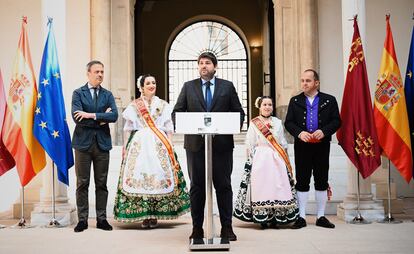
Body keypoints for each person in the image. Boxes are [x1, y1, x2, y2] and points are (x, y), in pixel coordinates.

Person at [173, 52, 245, 241]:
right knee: (197, 187)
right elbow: (177, 112)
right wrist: (186, 125)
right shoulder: (188, 87)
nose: (203, 66)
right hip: (196, 146)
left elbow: (239, 113)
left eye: (207, 63)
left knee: (223, 186)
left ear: (215, 66)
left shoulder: (227, 87)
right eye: (201, 63)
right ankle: (197, 228)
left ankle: (227, 227)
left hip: (221, 146)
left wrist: (228, 126)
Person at [113, 74, 190, 228]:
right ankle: (143, 214)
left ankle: (155, 214)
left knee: (159, 177)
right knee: (139, 176)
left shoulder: (163, 105)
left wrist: (170, 146)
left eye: (154, 82)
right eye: (148, 83)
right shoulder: (134, 106)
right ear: (141, 87)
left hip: (159, 144)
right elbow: (127, 128)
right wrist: (125, 148)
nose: (151, 85)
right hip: (139, 145)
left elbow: (169, 128)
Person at [285, 69, 341, 229]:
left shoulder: (329, 100)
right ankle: (301, 216)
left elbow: (337, 121)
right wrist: (300, 133)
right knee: (302, 180)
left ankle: (321, 216)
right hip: (302, 146)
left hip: (322, 146)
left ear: (316, 82)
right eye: (302, 80)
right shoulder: (295, 101)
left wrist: (324, 131)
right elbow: (289, 122)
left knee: (321, 179)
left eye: (308, 81)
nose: (304, 83)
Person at [233, 96, 298, 228]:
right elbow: (249, 142)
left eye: (270, 104)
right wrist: (250, 159)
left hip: (276, 158)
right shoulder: (254, 123)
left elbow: (282, 141)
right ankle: (262, 218)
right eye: (265, 104)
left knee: (277, 186)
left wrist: (285, 157)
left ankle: (276, 218)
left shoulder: (278, 122)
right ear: (260, 107)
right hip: (260, 158)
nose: (267, 107)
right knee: (262, 187)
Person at [71, 60, 118, 232]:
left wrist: (90, 115)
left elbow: (114, 116)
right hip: (83, 144)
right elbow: (77, 117)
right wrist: (101, 118)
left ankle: (102, 219)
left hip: (102, 144)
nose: (100, 75)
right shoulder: (78, 93)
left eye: (102, 72)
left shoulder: (108, 94)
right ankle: (82, 220)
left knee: (102, 183)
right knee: (82, 183)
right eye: (97, 72)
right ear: (88, 73)